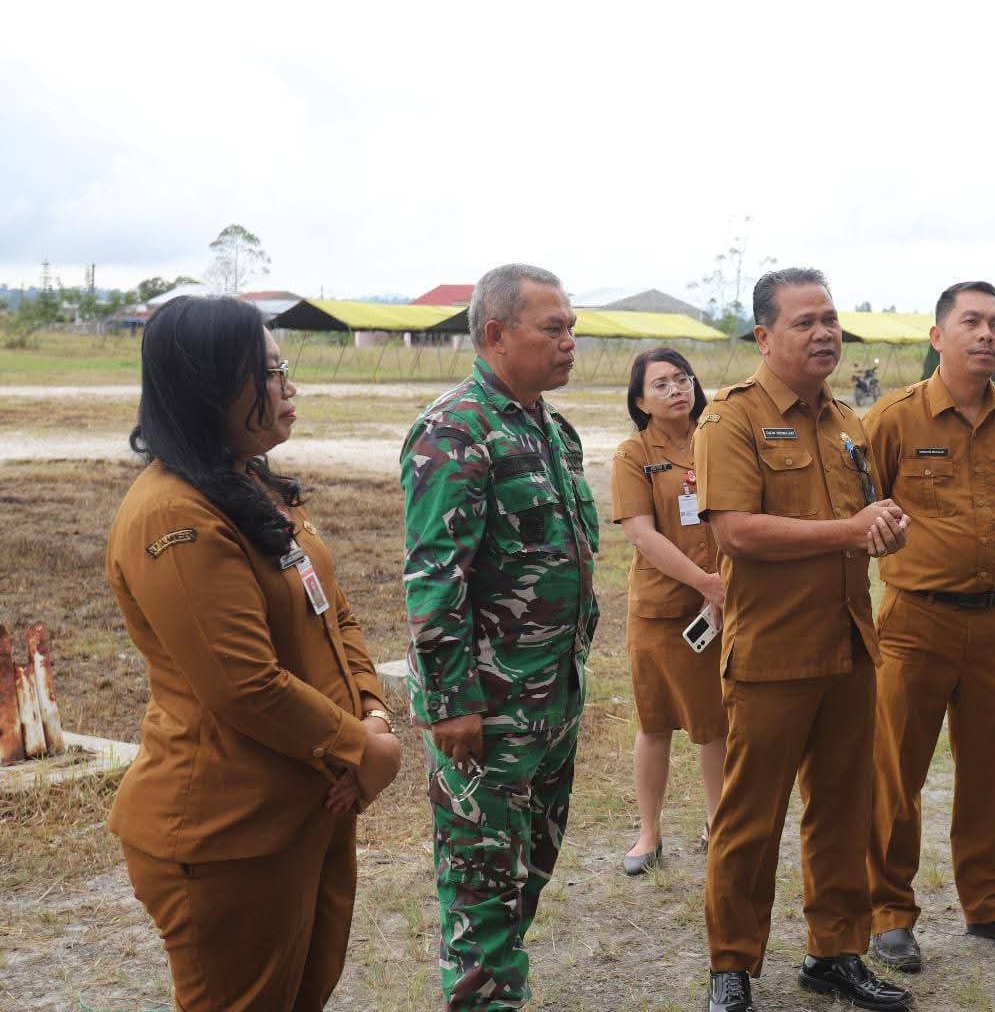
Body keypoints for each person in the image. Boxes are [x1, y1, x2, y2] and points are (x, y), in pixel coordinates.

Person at [105, 296, 403, 1012]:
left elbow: (334, 611)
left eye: (283, 367)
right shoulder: (175, 512)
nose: (288, 385)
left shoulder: (247, 483)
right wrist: (361, 749)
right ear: (211, 385)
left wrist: (373, 713)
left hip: (306, 803)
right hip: (229, 830)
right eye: (268, 372)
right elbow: (243, 683)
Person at [698, 268, 914, 1012]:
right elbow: (736, 531)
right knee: (750, 819)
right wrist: (850, 530)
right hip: (773, 651)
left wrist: (884, 528)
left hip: (849, 644)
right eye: (805, 322)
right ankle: (732, 965)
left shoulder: (848, 421)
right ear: (764, 336)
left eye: (831, 319)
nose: (825, 333)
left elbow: (863, 516)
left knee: (844, 811)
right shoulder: (730, 419)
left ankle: (836, 952)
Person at [400, 264, 599, 1010]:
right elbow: (434, 578)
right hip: (488, 710)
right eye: (553, 328)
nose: (569, 341)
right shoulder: (456, 431)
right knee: (481, 888)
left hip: (551, 698)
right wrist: (451, 703)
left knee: (527, 874)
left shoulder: (551, 429)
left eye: (571, 326)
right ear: (495, 334)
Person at [863, 280, 995, 973]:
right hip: (917, 620)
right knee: (896, 771)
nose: (987, 335)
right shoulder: (893, 418)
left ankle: (990, 902)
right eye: (971, 322)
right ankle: (888, 912)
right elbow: (861, 510)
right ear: (937, 336)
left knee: (990, 769)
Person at [610, 347, 726, 875]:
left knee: (714, 723)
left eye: (683, 378)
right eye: (660, 384)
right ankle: (648, 832)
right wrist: (704, 582)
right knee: (654, 723)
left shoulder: (718, 438)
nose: (677, 389)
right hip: (663, 610)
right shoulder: (633, 454)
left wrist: (721, 586)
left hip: (723, 602)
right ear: (640, 401)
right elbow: (641, 533)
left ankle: (718, 824)